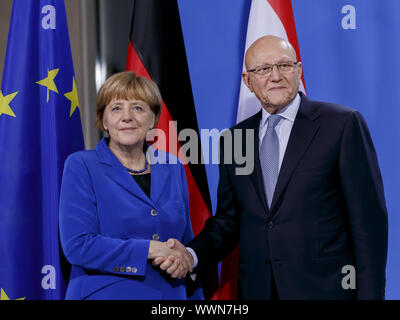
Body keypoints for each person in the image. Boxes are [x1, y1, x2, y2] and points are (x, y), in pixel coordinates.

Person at [155, 35, 388, 300]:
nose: (275, 76)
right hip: (258, 291)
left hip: (327, 291)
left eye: (284, 66)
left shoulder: (342, 125)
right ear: (248, 81)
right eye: (264, 69)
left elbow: (369, 224)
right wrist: (191, 255)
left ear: (298, 71)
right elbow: (229, 221)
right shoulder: (234, 140)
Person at [59, 71, 202, 300]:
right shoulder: (82, 165)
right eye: (116, 108)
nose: (127, 117)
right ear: (104, 120)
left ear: (153, 118)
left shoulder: (172, 166)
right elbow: (78, 245)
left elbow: (184, 245)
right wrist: (151, 249)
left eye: (137, 107)